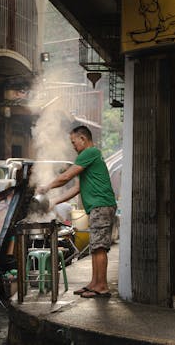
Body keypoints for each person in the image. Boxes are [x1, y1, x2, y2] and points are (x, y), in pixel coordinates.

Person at [37, 125, 117, 298]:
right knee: (95, 247)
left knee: (100, 247)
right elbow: (77, 188)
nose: (73, 146)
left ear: (83, 139)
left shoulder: (89, 153)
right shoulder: (87, 157)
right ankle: (94, 284)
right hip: (98, 206)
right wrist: (55, 200)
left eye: (74, 142)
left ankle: (101, 287)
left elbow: (67, 176)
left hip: (101, 205)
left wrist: (47, 187)